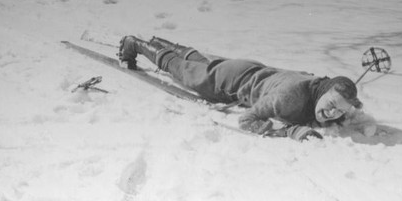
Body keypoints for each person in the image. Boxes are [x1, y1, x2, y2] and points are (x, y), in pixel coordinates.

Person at [118, 35, 364, 141]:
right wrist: (288, 131)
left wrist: (348, 107)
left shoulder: (320, 86)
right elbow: (249, 119)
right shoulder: (290, 98)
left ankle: (159, 42)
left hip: (253, 70)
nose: (332, 113)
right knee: (184, 72)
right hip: (230, 83)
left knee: (203, 65)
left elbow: (341, 103)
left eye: (339, 111)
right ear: (324, 94)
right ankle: (135, 44)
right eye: (331, 106)